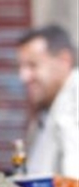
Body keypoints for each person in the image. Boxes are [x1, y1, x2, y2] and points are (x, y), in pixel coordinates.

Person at [16, 25, 79, 178]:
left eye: (32, 65)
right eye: (21, 67)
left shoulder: (73, 103)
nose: (23, 77)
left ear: (64, 60)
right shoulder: (50, 106)